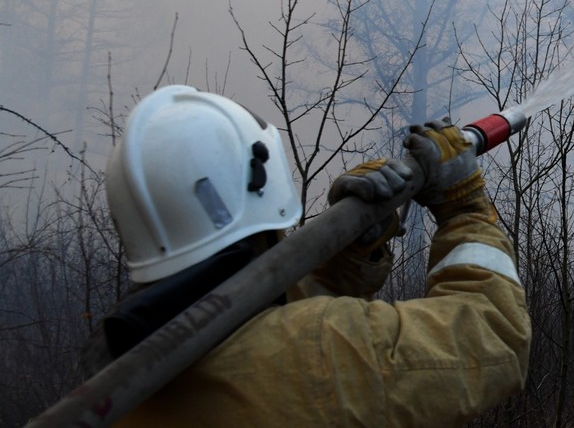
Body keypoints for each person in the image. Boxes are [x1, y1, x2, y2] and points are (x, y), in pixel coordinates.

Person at [85, 85, 531, 427]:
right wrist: (464, 207)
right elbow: (494, 333)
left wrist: (350, 250)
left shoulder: (120, 371)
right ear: (262, 181)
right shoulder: (322, 348)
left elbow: (261, 327)